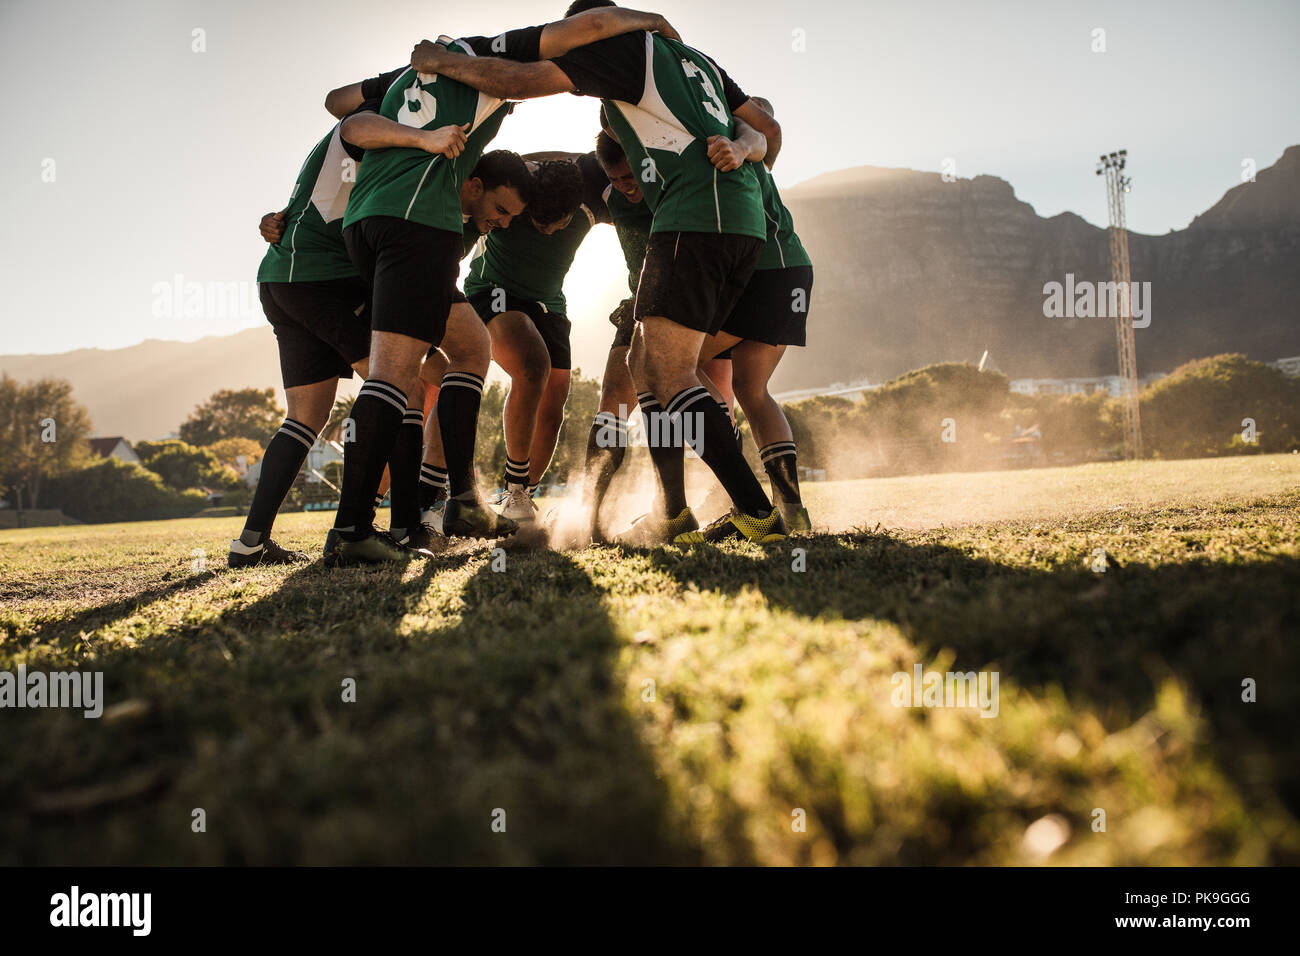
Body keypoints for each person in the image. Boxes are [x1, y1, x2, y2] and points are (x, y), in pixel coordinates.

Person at [411, 1, 787, 545]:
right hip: (744, 223)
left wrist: (445, 62)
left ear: (589, 32)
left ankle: (753, 511)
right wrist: (743, 152)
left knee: (668, 373)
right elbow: (769, 131)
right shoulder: (693, 60)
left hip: (693, 219)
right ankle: (675, 514)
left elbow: (518, 81)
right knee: (645, 365)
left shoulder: (619, 53)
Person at [229, 68, 465, 568]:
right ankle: (403, 524)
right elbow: (350, 120)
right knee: (408, 379)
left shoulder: (392, 130)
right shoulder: (386, 124)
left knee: (307, 417)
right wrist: (425, 140)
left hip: (287, 279)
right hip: (316, 279)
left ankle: (249, 543)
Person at [463, 151, 612, 520]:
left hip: (549, 302)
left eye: (555, 225)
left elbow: (619, 164)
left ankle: (522, 495)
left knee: (555, 400)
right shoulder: (516, 186)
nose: (547, 231)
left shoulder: (593, 183)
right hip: (493, 290)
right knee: (532, 367)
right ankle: (513, 491)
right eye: (538, 223)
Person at [700, 96, 814, 532]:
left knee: (672, 365)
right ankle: (791, 513)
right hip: (791, 267)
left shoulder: (730, 141)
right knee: (752, 389)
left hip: (761, 270)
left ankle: (747, 500)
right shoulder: (746, 147)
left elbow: (762, 125)